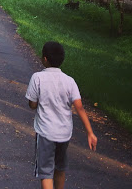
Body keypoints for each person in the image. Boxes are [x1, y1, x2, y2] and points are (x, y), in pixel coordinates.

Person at [25, 41, 97, 189]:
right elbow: (80, 108)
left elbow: (32, 104)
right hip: (64, 134)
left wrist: (38, 102)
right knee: (60, 169)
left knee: (46, 173)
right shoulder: (70, 81)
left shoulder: (37, 78)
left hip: (45, 133)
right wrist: (90, 132)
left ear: (45, 59)